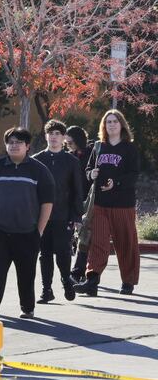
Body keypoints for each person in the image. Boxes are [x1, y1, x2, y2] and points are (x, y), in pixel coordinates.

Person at [0, 127, 54, 319]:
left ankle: (27, 307)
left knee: (26, 273)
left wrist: (39, 230)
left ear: (27, 146)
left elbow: (47, 203)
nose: (14, 145)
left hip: (27, 232)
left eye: (18, 142)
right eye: (11, 142)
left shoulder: (39, 170)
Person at [74, 110, 140, 297]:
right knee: (98, 242)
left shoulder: (129, 148)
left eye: (115, 121)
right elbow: (88, 169)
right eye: (108, 122)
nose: (111, 125)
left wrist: (116, 183)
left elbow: (134, 175)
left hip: (123, 204)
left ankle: (128, 281)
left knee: (125, 243)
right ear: (104, 125)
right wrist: (91, 174)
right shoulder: (98, 147)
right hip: (100, 203)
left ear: (121, 125)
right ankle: (92, 281)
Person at [33, 119, 84, 303]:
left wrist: (77, 215)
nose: (53, 137)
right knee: (44, 253)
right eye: (50, 133)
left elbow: (78, 190)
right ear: (46, 136)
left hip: (64, 215)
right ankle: (46, 290)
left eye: (57, 134)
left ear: (63, 138)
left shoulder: (71, 161)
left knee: (63, 252)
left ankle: (66, 280)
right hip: (41, 217)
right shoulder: (37, 160)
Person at [65, 125, 93, 282]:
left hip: (89, 200)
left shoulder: (90, 153)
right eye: (67, 142)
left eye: (70, 141)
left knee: (85, 235)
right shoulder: (69, 155)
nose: (68, 143)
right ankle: (79, 271)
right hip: (72, 201)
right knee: (75, 238)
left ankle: (77, 272)